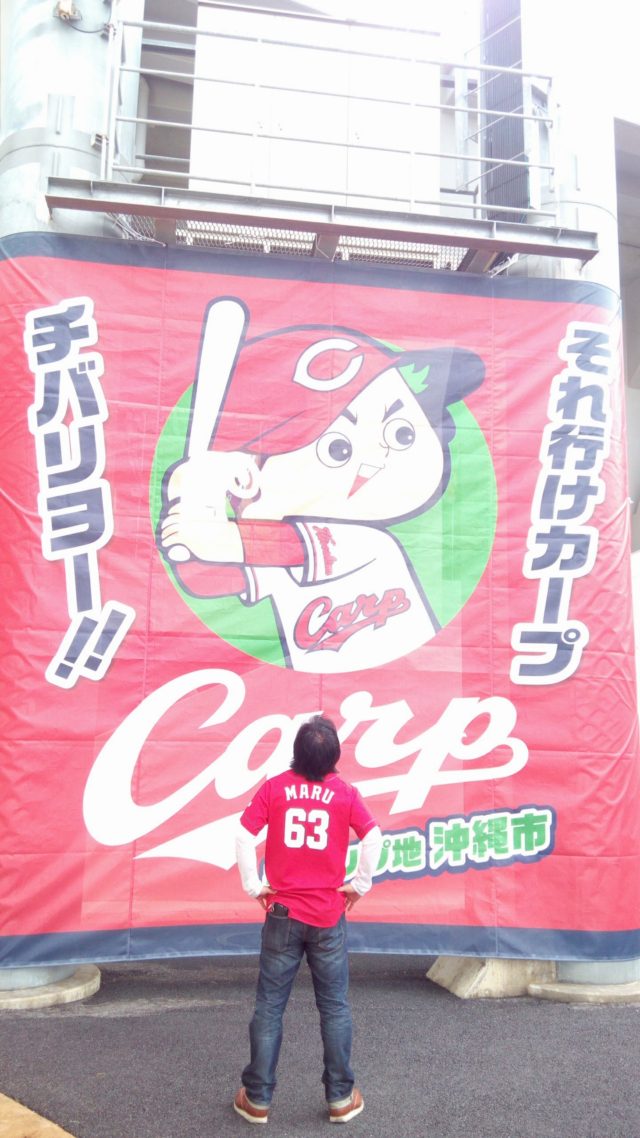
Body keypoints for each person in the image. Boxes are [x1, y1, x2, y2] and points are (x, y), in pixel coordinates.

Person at [159, 313, 484, 673]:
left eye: (401, 433)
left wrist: (198, 517)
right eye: (338, 449)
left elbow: (238, 544)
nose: (375, 460)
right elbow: (208, 579)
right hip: (355, 694)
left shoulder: (361, 542)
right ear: (245, 478)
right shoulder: (277, 559)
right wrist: (189, 504)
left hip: (408, 684)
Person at [234, 714, 383, 1124]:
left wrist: (254, 886)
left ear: (296, 753)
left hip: (282, 914)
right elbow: (373, 837)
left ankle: (257, 1099)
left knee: (269, 1007)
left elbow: (244, 835)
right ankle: (340, 1098)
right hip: (327, 916)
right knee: (334, 1007)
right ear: (334, 757)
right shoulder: (346, 793)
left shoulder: (275, 788)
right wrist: (359, 885)